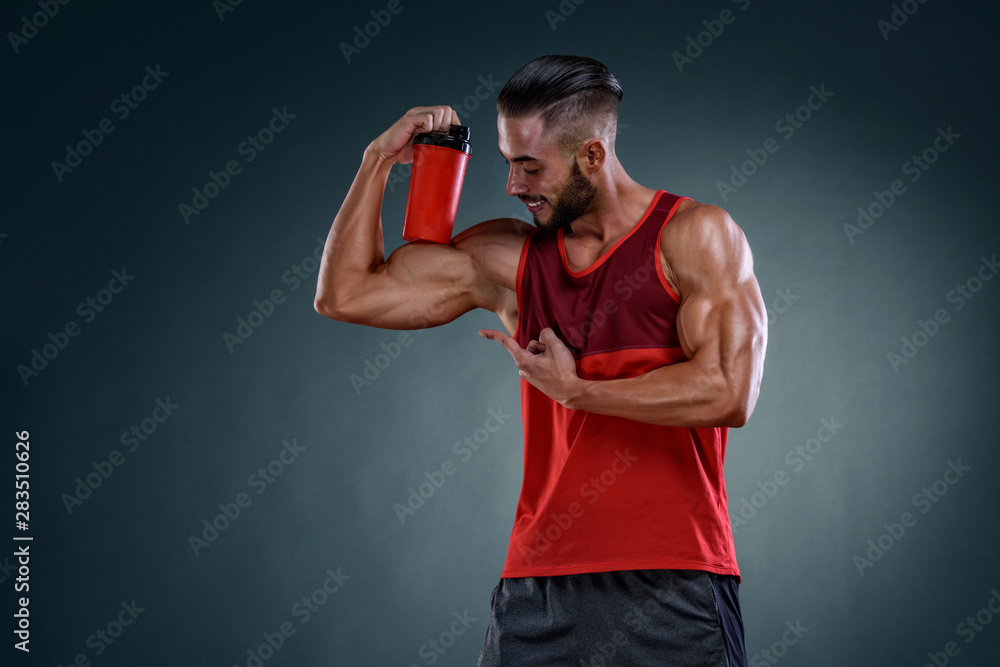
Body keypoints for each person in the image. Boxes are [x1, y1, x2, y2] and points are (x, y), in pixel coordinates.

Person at [315, 54, 767, 666]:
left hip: (675, 578)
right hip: (539, 586)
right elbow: (346, 295)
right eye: (507, 163)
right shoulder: (512, 260)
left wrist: (580, 391)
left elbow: (728, 391)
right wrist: (377, 162)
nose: (513, 185)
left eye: (529, 166)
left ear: (592, 156)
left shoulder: (694, 236)